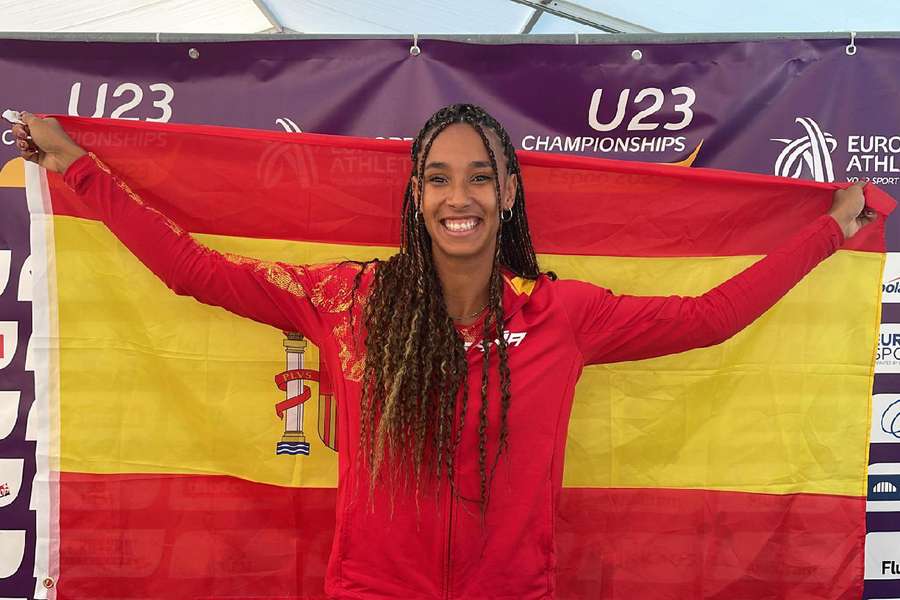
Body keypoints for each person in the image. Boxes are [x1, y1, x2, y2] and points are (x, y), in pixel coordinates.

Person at [13, 104, 875, 599]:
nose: (457, 196)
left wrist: (829, 235)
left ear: (508, 193)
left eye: (478, 176)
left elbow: (713, 316)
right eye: (437, 176)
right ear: (416, 195)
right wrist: (80, 169)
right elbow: (194, 272)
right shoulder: (349, 301)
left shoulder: (563, 316)